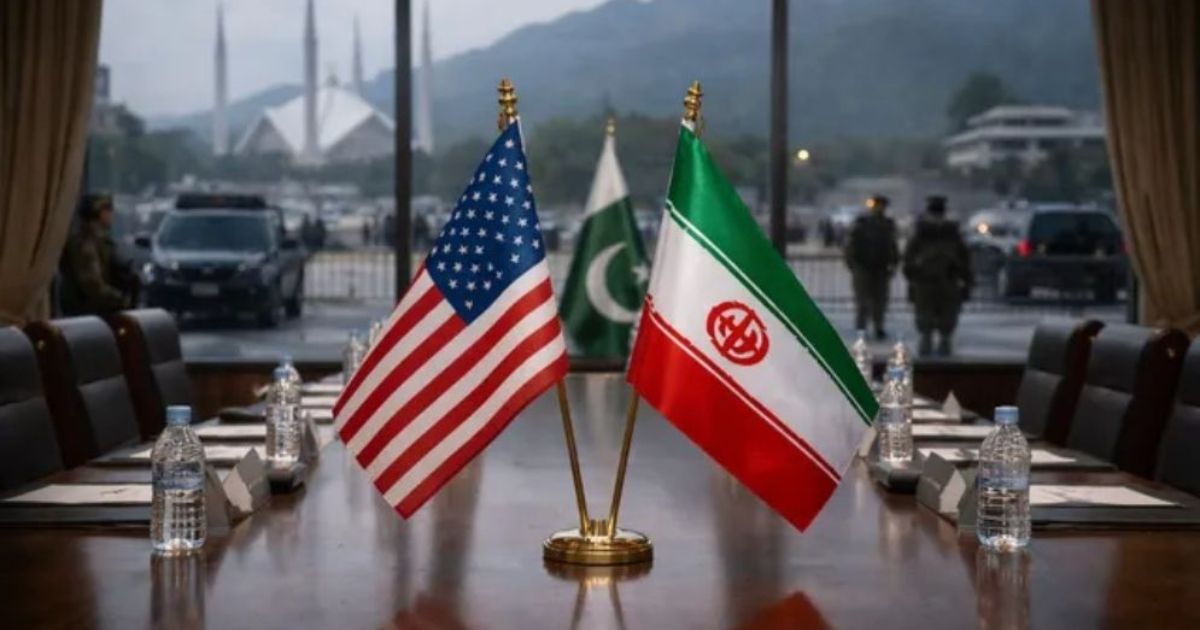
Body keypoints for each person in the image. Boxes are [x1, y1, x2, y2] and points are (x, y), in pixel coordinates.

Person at [903, 196, 973, 356]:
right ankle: (927, 340)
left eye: (938, 213)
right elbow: (909, 257)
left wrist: (966, 278)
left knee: (948, 314)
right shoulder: (922, 233)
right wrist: (913, 274)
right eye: (935, 213)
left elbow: (964, 257)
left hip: (947, 279)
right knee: (925, 314)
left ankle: (944, 341)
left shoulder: (951, 233)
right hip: (926, 280)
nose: (936, 217)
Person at [59, 194, 136, 316]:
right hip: (86, 312)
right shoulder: (84, 244)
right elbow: (92, 284)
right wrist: (119, 299)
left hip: (96, 312)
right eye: (108, 210)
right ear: (100, 213)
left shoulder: (101, 241)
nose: (111, 214)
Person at [844, 195, 899, 340]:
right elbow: (850, 246)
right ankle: (862, 327)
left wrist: (893, 264)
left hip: (880, 268)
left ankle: (878, 327)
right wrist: (853, 265)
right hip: (863, 267)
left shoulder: (887, 225)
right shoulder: (862, 224)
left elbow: (892, 246)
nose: (878, 209)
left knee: (879, 301)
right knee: (863, 301)